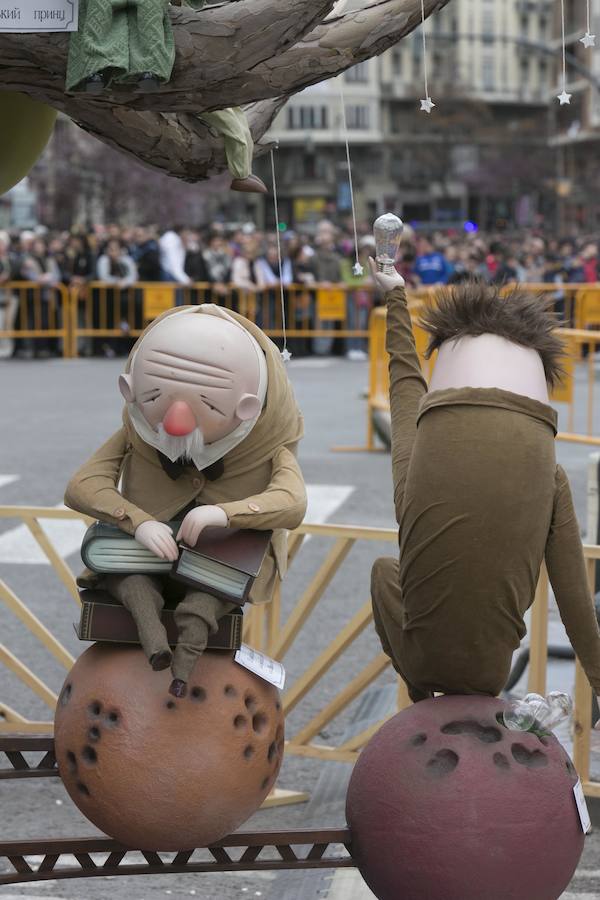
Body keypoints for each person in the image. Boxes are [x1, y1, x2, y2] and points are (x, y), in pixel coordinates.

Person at [369, 259, 600, 704]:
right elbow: (573, 594)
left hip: (423, 662)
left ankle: (421, 700)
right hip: (491, 669)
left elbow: (404, 384)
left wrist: (395, 297)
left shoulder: (420, 458)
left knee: (384, 569)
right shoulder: (548, 476)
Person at [65, 303, 306, 697]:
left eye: (209, 406)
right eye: (156, 396)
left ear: (248, 408)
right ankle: (153, 637)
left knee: (211, 592)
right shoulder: (138, 430)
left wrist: (225, 513)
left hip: (223, 559)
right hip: (144, 555)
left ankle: (186, 660)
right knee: (130, 578)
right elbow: (83, 485)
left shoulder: (269, 442)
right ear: (132, 390)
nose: (176, 420)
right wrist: (138, 521)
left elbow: (292, 502)